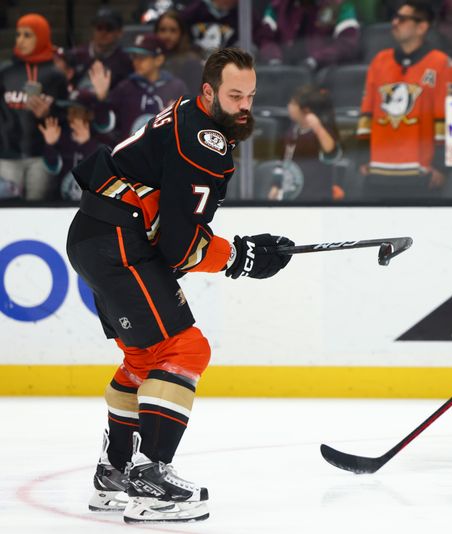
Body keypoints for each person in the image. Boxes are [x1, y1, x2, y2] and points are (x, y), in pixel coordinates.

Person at [66, 48, 294, 523]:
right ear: (208, 91)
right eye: (235, 95)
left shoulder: (186, 115)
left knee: (142, 357)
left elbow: (173, 233)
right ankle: (152, 481)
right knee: (185, 351)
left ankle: (115, 472)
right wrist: (240, 256)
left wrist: (238, 252)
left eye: (250, 95)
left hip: (96, 235)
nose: (244, 106)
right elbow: (179, 245)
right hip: (118, 242)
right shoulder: (206, 142)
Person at [357, 0, 452, 199]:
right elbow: (367, 113)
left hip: (422, 174)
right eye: (395, 17)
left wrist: (441, 166)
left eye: (403, 19)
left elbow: (448, 121)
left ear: (422, 26)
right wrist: (362, 158)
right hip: (378, 172)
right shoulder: (379, 61)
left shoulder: (444, 66)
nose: (395, 23)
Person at [0, 13, 68, 200]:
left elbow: (65, 115)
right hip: (7, 155)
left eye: (27, 35)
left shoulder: (56, 76)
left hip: (41, 156)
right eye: (18, 34)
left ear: (42, 36)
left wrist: (47, 114)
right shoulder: (5, 72)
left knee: (38, 209)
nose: (20, 40)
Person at [88, 33, 188, 139]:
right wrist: (101, 100)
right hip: (131, 153)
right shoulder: (125, 87)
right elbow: (104, 127)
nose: (136, 61)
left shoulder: (177, 87)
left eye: (143, 57)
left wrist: (177, 117)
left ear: (159, 60)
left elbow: (187, 126)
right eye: (134, 56)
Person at [266, 85, 344, 201]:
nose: (289, 106)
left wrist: (318, 128)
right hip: (292, 198)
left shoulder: (322, 132)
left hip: (316, 200)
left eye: (292, 104)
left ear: (306, 110)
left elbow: (331, 152)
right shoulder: (291, 131)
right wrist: (276, 185)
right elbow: (283, 162)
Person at [258, 0, 362, 71]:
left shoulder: (340, 5)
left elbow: (347, 43)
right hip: (283, 76)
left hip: (322, 77)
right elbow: (265, 38)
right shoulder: (278, 6)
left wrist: (315, 60)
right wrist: (274, 59)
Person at [39, 101, 107, 201]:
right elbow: (52, 167)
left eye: (77, 113)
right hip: (61, 202)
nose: (72, 116)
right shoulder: (61, 139)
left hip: (91, 203)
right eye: (70, 114)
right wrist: (50, 145)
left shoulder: (99, 143)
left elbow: (102, 172)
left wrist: (87, 143)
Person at [69, 7, 134, 93]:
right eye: (99, 28)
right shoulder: (76, 54)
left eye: (109, 28)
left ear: (119, 32)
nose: (103, 33)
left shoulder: (125, 61)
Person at [154, 9, 205, 92]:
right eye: (162, 30)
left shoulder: (192, 62)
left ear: (181, 34)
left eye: (173, 30)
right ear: (156, 33)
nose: (167, 36)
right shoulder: (150, 59)